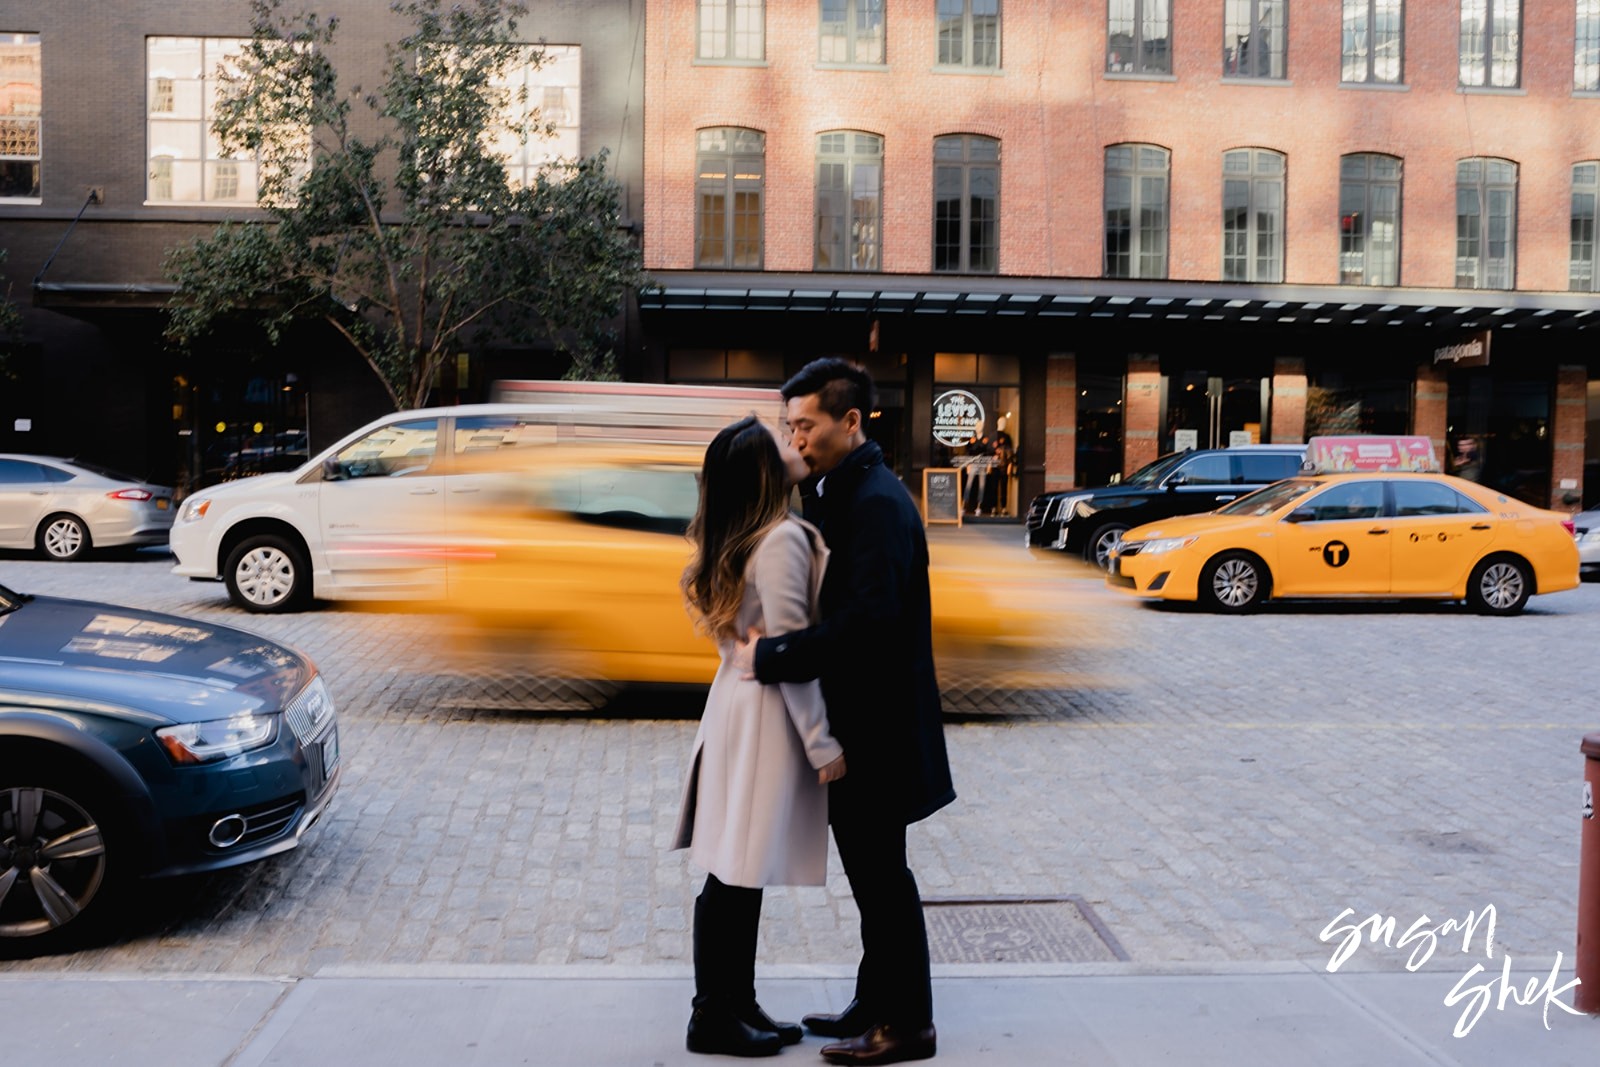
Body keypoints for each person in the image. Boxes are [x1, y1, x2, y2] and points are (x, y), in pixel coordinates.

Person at [735, 358, 955, 1066]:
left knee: (884, 881)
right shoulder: (843, 492)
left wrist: (770, 657)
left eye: (806, 424)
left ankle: (907, 1023)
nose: (794, 438)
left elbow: (865, 625)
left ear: (851, 421)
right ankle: (874, 999)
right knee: (874, 876)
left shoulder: (878, 506)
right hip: (863, 722)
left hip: (879, 731)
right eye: (789, 424)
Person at [673, 415, 850, 1058]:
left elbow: (744, 639)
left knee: (735, 869)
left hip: (735, 707)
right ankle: (712, 1015)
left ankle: (734, 1003)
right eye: (781, 443)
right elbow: (791, 653)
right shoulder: (779, 540)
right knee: (735, 873)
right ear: (764, 474)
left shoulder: (737, 538)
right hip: (768, 716)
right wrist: (822, 744)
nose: (794, 444)